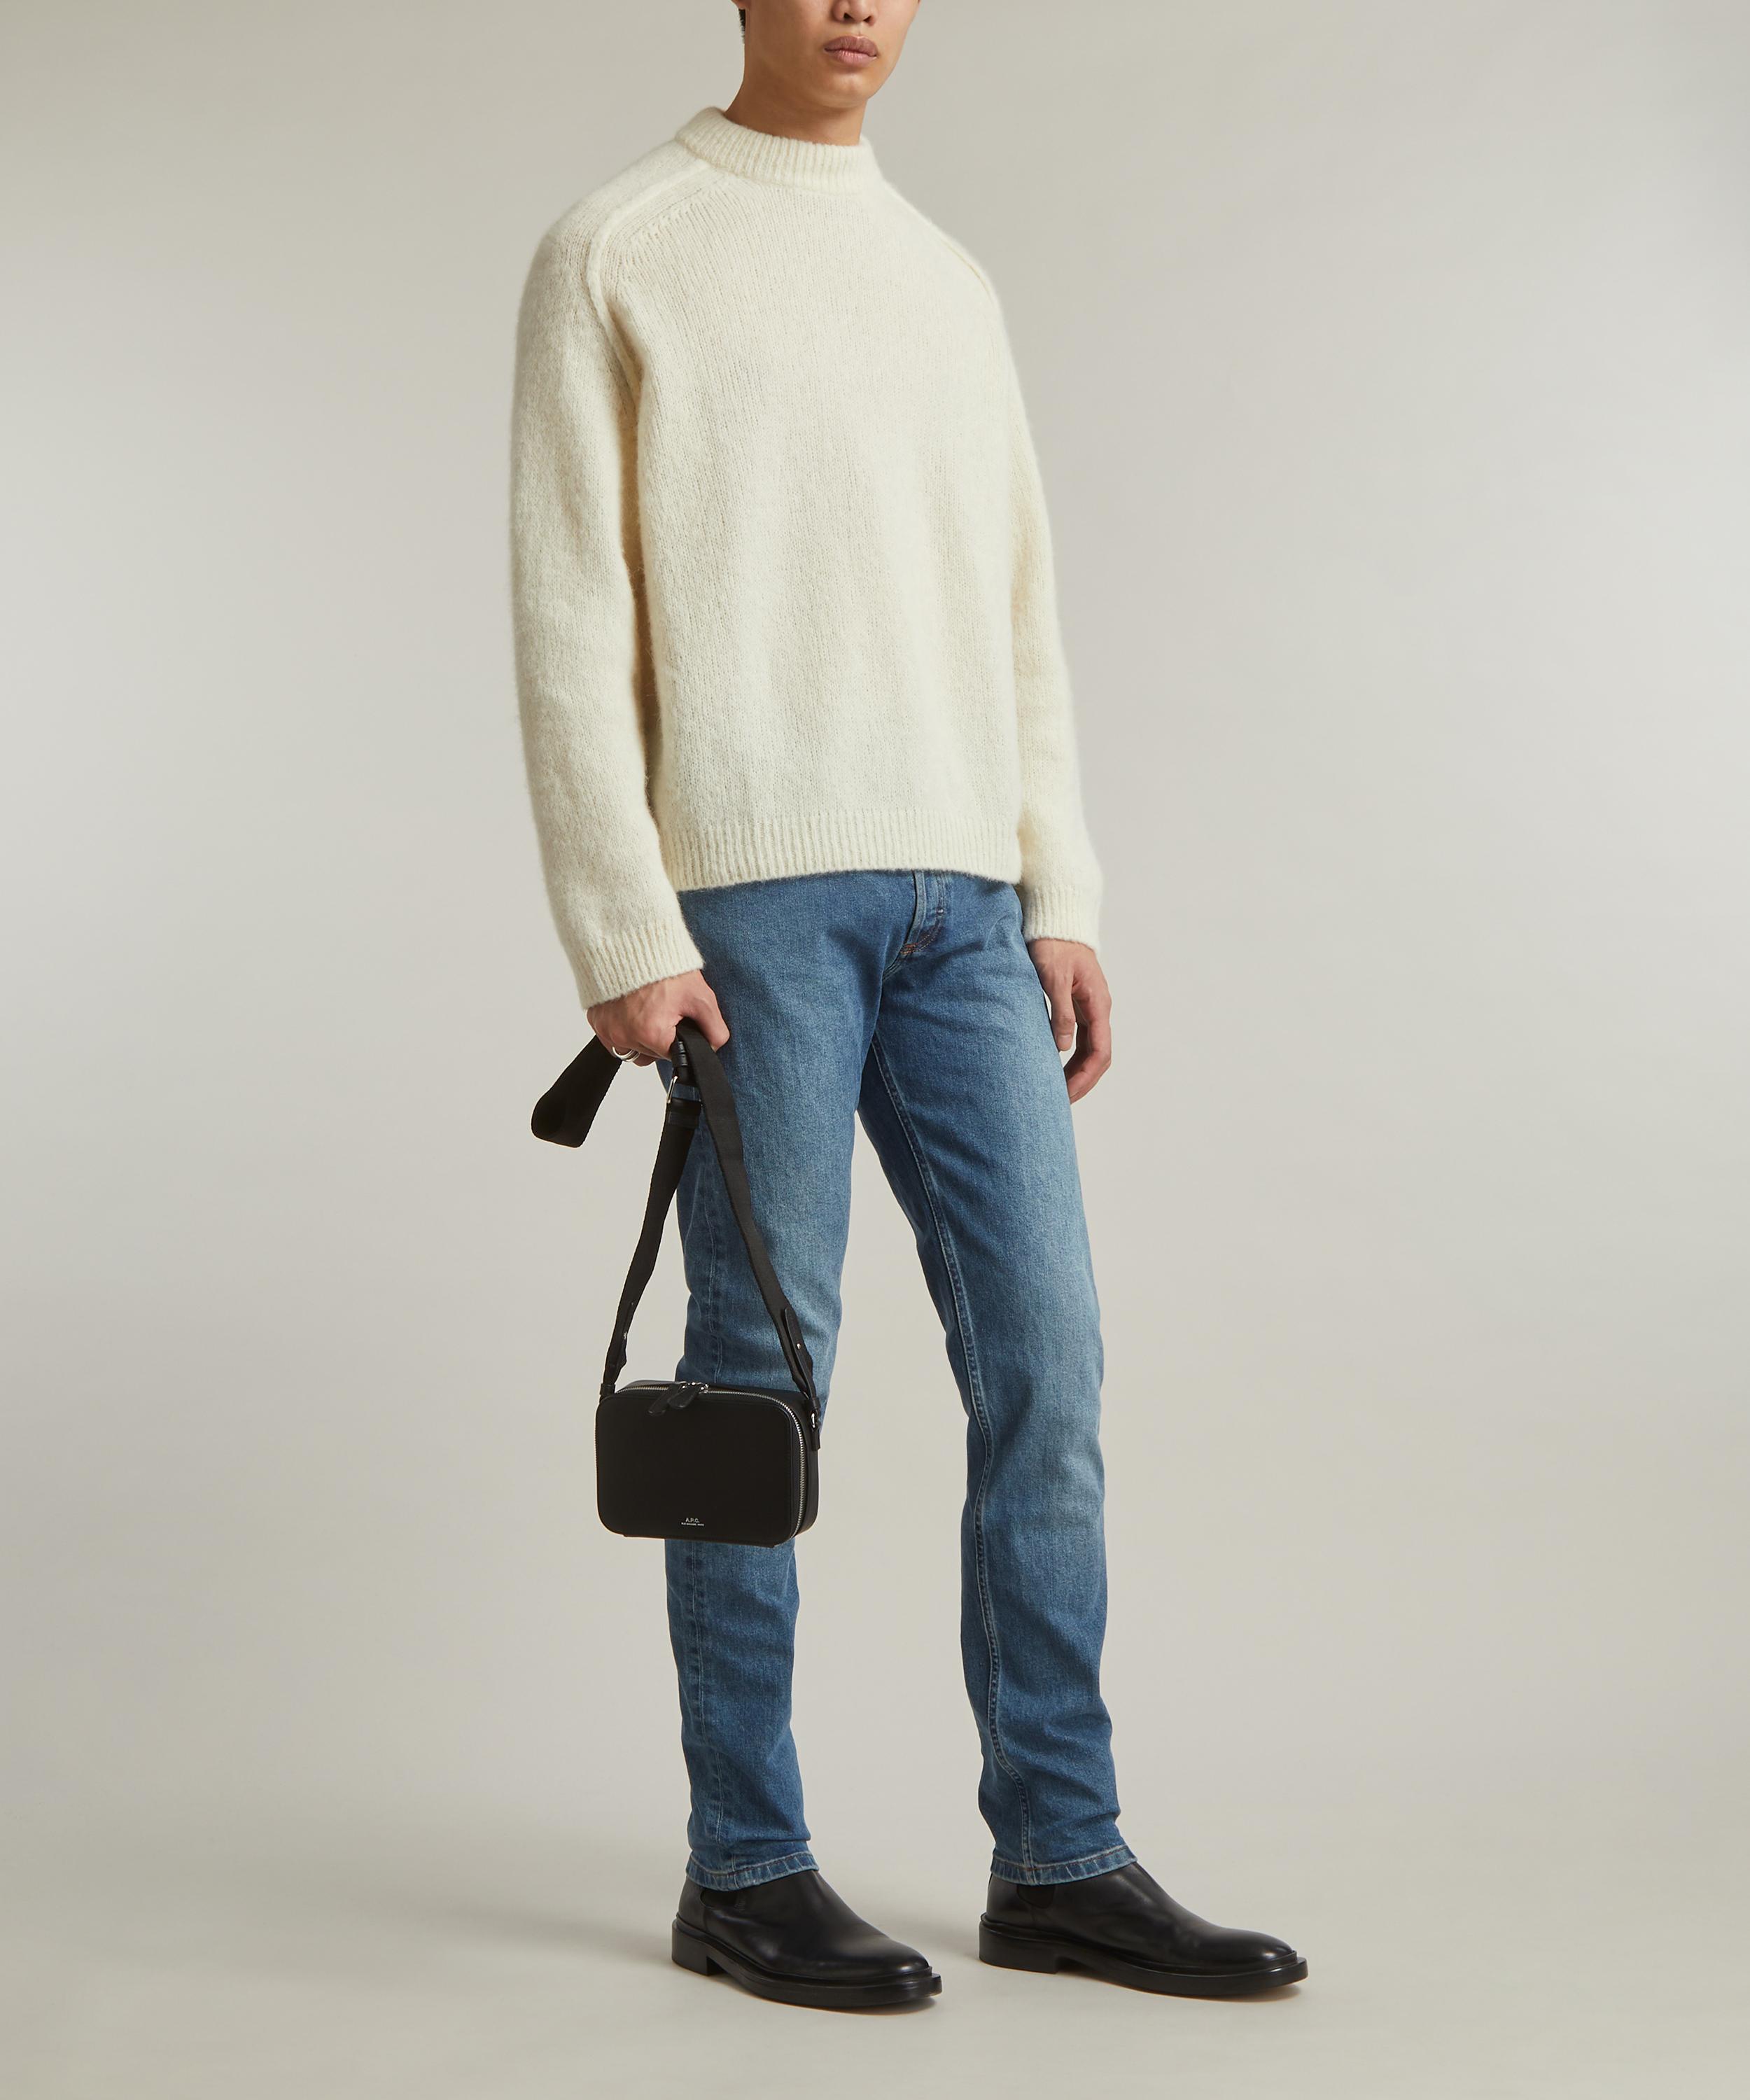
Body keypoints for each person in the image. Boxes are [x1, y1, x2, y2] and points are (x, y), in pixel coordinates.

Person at [510, 0, 1305, 2010]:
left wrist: (1060, 887)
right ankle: (745, 1869)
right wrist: (623, 923)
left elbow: (1017, 608)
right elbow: (569, 610)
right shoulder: (618, 247)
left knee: (1048, 1366)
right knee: (755, 1390)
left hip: (968, 904)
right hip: (751, 907)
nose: (859, 4)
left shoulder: (944, 280)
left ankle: (1062, 1856)